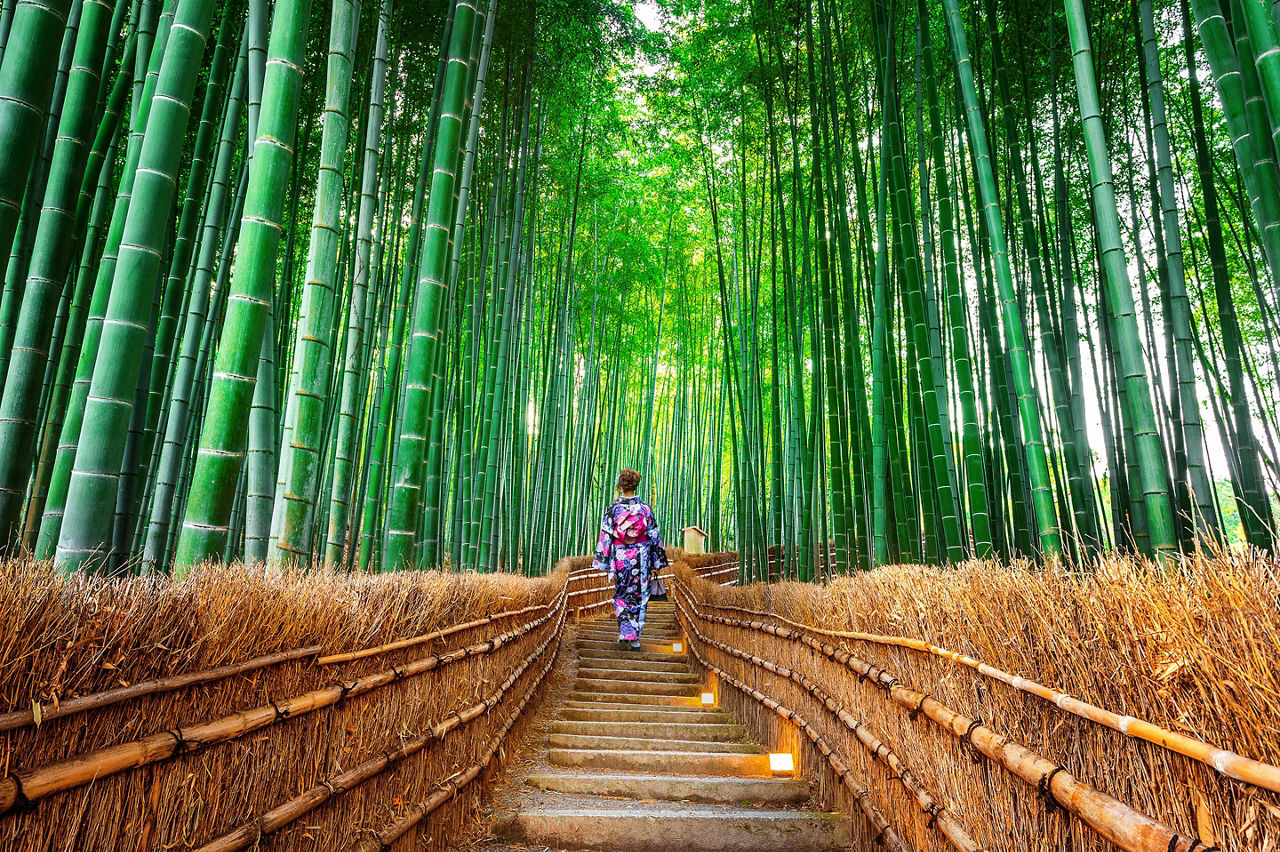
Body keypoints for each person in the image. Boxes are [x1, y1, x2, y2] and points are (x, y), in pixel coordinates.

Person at [591, 468, 668, 649]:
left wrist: (603, 560)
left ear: (620, 486)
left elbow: (606, 536)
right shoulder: (645, 509)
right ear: (636, 484)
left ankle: (625, 632)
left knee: (622, 593)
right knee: (640, 595)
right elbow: (654, 535)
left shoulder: (613, 509)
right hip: (641, 557)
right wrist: (657, 560)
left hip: (620, 557)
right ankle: (635, 638)